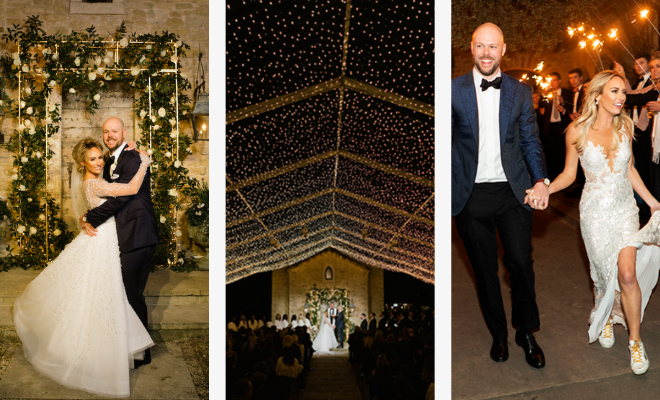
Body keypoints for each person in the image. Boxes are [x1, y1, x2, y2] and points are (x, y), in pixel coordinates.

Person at [536, 69, 660, 375]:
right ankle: (603, 317)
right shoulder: (576, 131)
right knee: (604, 274)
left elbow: (629, 169)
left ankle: (634, 341)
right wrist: (545, 187)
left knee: (627, 274)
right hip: (594, 213)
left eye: (623, 93)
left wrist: (653, 202)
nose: (621, 98)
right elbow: (568, 175)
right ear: (598, 95)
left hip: (624, 210)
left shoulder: (625, 126)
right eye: (615, 92)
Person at [13, 138, 153, 397]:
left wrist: (85, 217)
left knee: (104, 294)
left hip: (107, 237)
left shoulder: (95, 180)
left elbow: (103, 205)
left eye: (100, 157)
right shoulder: (95, 183)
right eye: (93, 159)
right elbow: (133, 188)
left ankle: (112, 346)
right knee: (101, 294)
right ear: (82, 163)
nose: (99, 162)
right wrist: (145, 160)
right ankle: (96, 351)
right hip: (102, 241)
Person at [452, 22, 549, 369]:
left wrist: (540, 179)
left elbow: (530, 141)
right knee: (485, 270)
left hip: (512, 191)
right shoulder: (452, 90)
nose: (487, 53)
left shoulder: (520, 92)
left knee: (521, 263)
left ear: (503, 50)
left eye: (493, 47)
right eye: (481, 46)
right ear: (471, 47)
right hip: (470, 194)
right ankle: (498, 335)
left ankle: (525, 331)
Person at [80, 117, 159, 368]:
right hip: (124, 235)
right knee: (126, 292)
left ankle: (141, 353)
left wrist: (89, 216)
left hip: (137, 233)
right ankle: (128, 346)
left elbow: (124, 195)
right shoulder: (111, 159)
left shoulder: (133, 156)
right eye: (106, 131)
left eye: (114, 131)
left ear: (124, 132)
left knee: (131, 294)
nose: (110, 135)